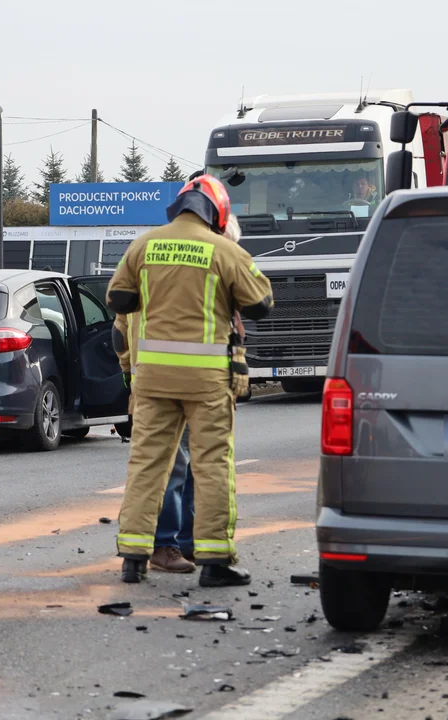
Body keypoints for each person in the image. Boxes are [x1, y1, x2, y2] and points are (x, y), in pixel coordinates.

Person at [106, 175, 274, 587]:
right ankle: (215, 563)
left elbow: (118, 301)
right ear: (218, 213)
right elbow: (261, 305)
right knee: (213, 465)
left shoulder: (144, 245)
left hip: (153, 379)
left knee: (147, 465)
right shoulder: (224, 250)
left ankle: (133, 559)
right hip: (206, 381)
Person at [113, 312, 196, 574]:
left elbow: (119, 333)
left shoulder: (137, 272)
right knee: (183, 464)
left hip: (149, 386)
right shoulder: (194, 274)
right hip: (190, 385)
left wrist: (127, 369)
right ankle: (169, 544)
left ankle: (155, 549)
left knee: (155, 467)